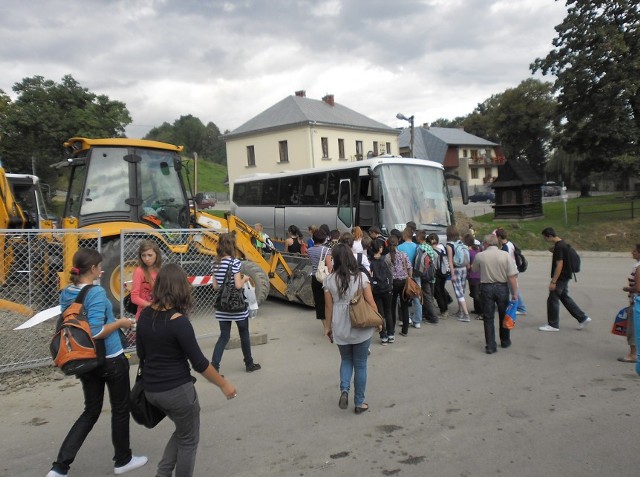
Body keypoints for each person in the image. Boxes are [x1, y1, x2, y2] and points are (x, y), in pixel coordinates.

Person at [46, 248, 145, 477]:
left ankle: (60, 467)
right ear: (91, 269)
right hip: (110, 358)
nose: (101, 270)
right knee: (120, 409)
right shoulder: (97, 293)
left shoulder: (67, 292)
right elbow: (97, 330)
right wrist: (121, 323)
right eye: (99, 267)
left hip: (84, 359)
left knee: (90, 411)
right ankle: (123, 460)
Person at [137, 264, 237, 477]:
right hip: (177, 392)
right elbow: (199, 363)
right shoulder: (178, 322)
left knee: (183, 432)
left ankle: (162, 474)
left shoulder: (145, 315)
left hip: (152, 390)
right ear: (180, 289)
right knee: (189, 440)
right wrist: (223, 383)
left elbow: (141, 352)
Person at [323, 244, 380, 414]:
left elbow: (328, 307)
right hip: (360, 323)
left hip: (340, 326)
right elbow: (371, 301)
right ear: (350, 257)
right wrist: (378, 319)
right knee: (361, 364)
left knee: (346, 360)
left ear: (335, 259)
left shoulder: (329, 280)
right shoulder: (361, 277)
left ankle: (345, 390)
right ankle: (359, 403)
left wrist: (328, 327)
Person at [211, 233, 262, 373]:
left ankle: (214, 367)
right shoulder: (235, 262)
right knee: (244, 333)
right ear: (232, 246)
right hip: (237, 306)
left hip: (223, 306)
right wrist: (244, 279)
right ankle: (249, 364)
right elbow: (238, 286)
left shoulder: (214, 263)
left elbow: (215, 287)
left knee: (224, 336)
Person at [471, 235, 518, 354]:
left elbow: (474, 269)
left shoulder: (480, 256)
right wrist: (515, 293)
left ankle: (491, 345)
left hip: (486, 287)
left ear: (486, 243)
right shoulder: (505, 255)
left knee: (488, 317)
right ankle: (505, 340)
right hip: (502, 287)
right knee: (504, 315)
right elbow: (511, 276)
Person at [539, 227, 591, 331]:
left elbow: (559, 265)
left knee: (552, 299)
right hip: (566, 275)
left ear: (549, 236)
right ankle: (582, 318)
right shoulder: (562, 244)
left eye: (545, 238)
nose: (545, 240)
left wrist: (553, 281)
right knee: (564, 297)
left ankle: (553, 325)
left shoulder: (559, 247)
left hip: (561, 277)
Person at [495, 227, 527, 314]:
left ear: (499, 237)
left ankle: (521, 308)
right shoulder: (510, 244)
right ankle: (514, 305)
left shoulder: (505, 248)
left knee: (514, 289)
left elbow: (504, 260)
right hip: (514, 268)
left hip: (510, 270)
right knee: (512, 288)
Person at [385, 235, 412, 337]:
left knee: (392, 306)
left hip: (392, 283)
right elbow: (409, 267)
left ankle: (391, 329)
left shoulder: (387, 257)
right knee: (404, 306)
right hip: (404, 281)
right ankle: (405, 330)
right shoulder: (403, 255)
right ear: (398, 243)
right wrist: (410, 277)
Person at [369, 240, 393, 344]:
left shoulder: (370, 262)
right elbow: (390, 274)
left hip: (376, 290)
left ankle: (383, 336)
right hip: (386, 288)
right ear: (379, 249)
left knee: (380, 313)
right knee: (388, 311)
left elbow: (370, 276)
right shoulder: (385, 260)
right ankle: (391, 334)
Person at [130, 240, 162, 320]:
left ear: (156, 255)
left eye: (150, 255)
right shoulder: (139, 271)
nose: (146, 259)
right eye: (143, 255)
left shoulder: (161, 271)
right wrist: (152, 306)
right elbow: (134, 297)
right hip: (144, 314)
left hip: (160, 313)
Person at [619, 244, 640, 363]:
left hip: (636, 301)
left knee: (633, 327)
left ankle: (633, 354)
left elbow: (638, 287)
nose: (632, 252)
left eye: (635, 251)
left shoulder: (639, 268)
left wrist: (628, 289)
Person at [446, 225, 471, 322]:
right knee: (462, 291)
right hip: (464, 268)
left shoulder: (449, 245)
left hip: (456, 269)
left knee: (458, 293)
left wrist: (452, 274)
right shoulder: (461, 242)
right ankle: (460, 311)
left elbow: (450, 261)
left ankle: (466, 314)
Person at [308, 229, 333, 326]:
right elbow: (329, 266)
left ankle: (325, 327)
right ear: (324, 239)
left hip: (315, 277)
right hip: (325, 279)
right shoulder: (326, 250)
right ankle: (330, 324)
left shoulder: (309, 250)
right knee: (328, 302)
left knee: (319, 302)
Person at [398, 228, 421, 328]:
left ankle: (405, 319)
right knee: (417, 297)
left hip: (403, 275)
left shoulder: (399, 247)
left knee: (402, 297)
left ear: (404, 235)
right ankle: (417, 320)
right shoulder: (417, 247)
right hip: (415, 275)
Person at [416, 230, 440, 324]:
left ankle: (434, 318)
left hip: (424, 275)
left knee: (427, 296)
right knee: (430, 295)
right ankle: (428, 315)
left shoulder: (420, 248)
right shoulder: (429, 247)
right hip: (431, 274)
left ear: (418, 238)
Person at [429, 233, 450, 319]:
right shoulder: (441, 249)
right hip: (443, 273)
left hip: (436, 274)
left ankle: (443, 311)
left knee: (438, 293)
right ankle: (445, 309)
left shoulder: (432, 252)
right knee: (442, 291)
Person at [464, 233, 483, 320]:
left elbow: (468, 265)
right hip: (479, 274)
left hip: (472, 275)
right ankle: (477, 309)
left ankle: (482, 312)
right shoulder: (478, 249)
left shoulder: (468, 252)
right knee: (476, 293)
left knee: (475, 294)